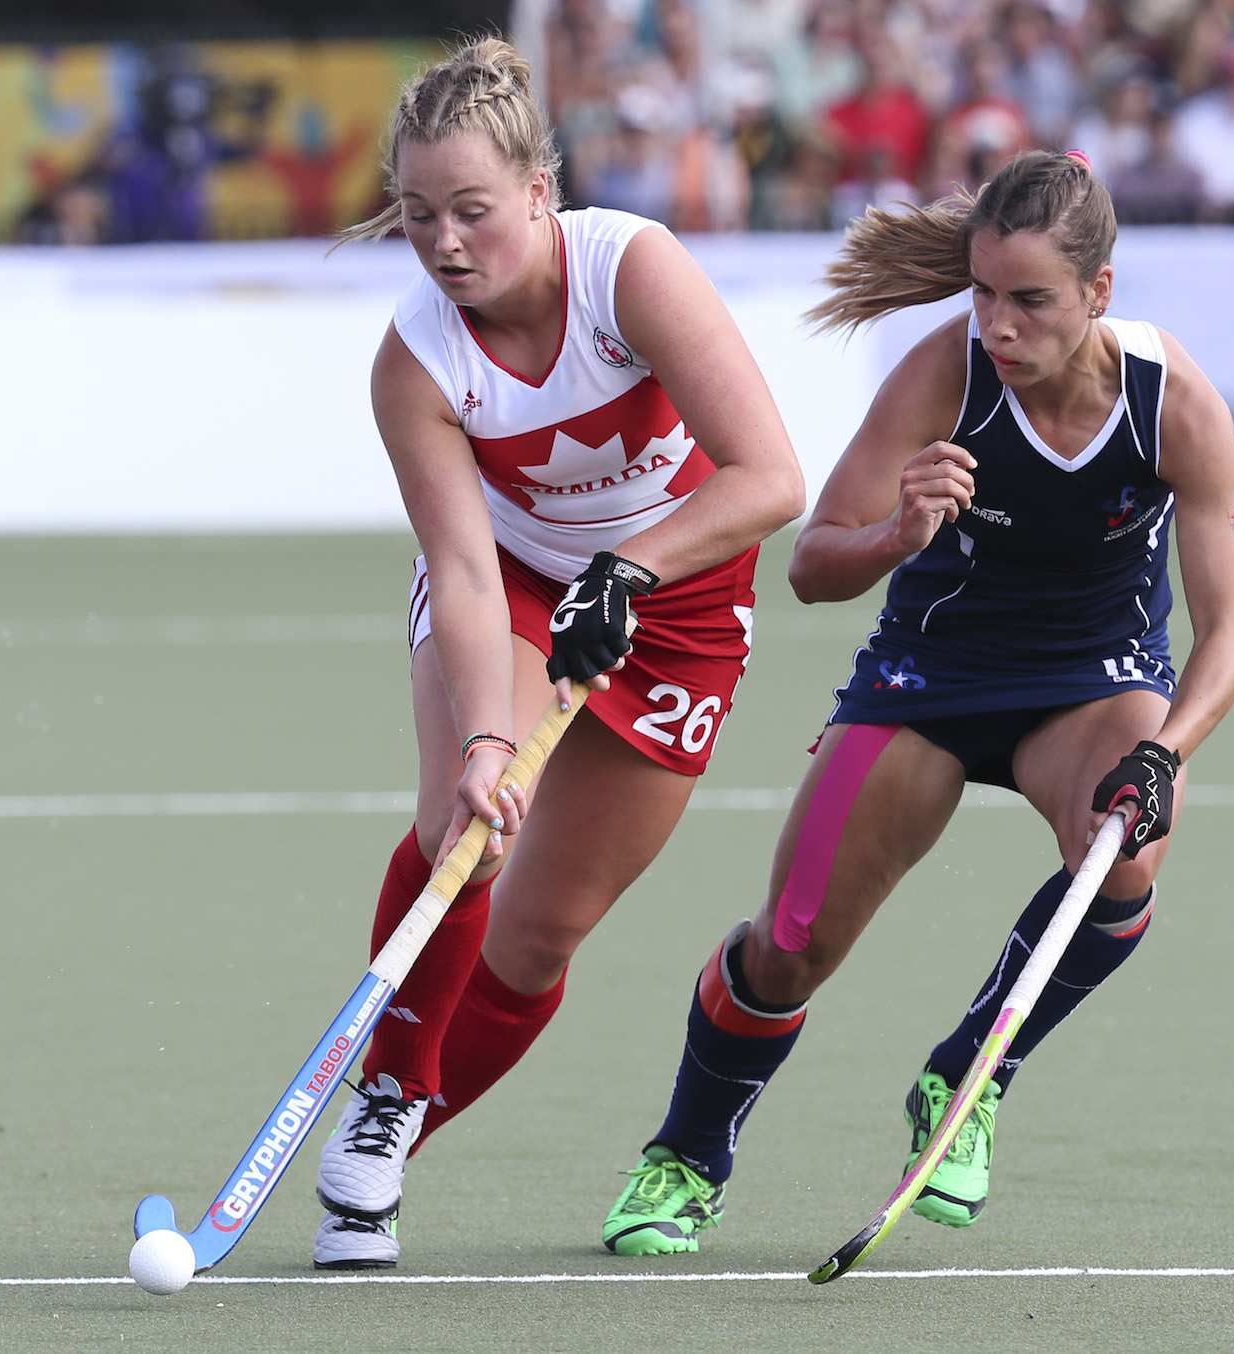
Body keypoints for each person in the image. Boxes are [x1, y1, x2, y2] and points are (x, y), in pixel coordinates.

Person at [602, 149, 1234, 1256]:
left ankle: (966, 1077)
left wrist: (1167, 754)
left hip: (1092, 683)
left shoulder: (1172, 402)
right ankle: (684, 1155)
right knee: (792, 944)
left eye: (1031, 300)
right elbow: (812, 565)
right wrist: (901, 532)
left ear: (1098, 292)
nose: (999, 325)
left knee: (1132, 847)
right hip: (927, 681)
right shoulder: (940, 375)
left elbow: (1227, 627)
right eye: (985, 293)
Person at [309, 35, 804, 1268]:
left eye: (473, 210)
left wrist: (630, 568)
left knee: (538, 939)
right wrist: (487, 738)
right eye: (417, 215)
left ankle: (391, 1141)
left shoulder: (630, 270)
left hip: (678, 596)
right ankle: (382, 1102)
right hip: (521, 587)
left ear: (542, 190)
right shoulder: (416, 361)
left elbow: (770, 478)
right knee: (467, 831)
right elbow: (467, 568)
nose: (444, 242)